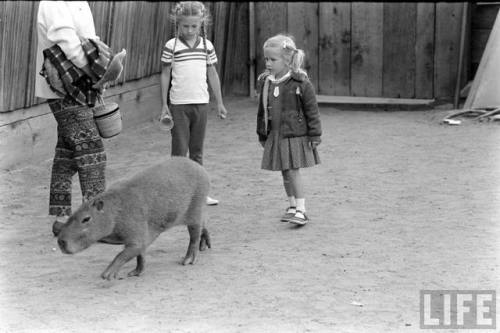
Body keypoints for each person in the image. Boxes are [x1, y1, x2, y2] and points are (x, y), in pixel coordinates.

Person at [35, 1, 106, 234]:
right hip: (62, 86)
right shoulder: (53, 3)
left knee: (67, 153)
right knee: (91, 150)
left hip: (79, 85)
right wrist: (97, 73)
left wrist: (97, 79)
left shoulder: (79, 2)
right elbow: (70, 44)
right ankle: (96, 220)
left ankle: (60, 218)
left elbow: (89, 41)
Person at [160, 1, 228, 206]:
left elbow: (212, 73)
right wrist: (164, 104)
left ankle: (199, 194)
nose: (189, 30)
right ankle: (176, 195)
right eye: (185, 26)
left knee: (197, 151)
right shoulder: (171, 46)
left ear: (202, 25)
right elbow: (164, 74)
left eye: (194, 26)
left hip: (202, 104)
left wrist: (220, 102)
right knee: (179, 151)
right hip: (179, 105)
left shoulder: (208, 46)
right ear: (177, 25)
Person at [256, 34, 322, 226]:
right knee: (284, 172)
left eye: (273, 59)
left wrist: (315, 134)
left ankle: (302, 210)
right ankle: (292, 206)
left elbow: (312, 110)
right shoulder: (266, 81)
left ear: (287, 60)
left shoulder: (300, 82)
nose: (268, 63)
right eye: (266, 59)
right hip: (276, 135)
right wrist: (262, 133)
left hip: (294, 135)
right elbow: (262, 110)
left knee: (293, 171)